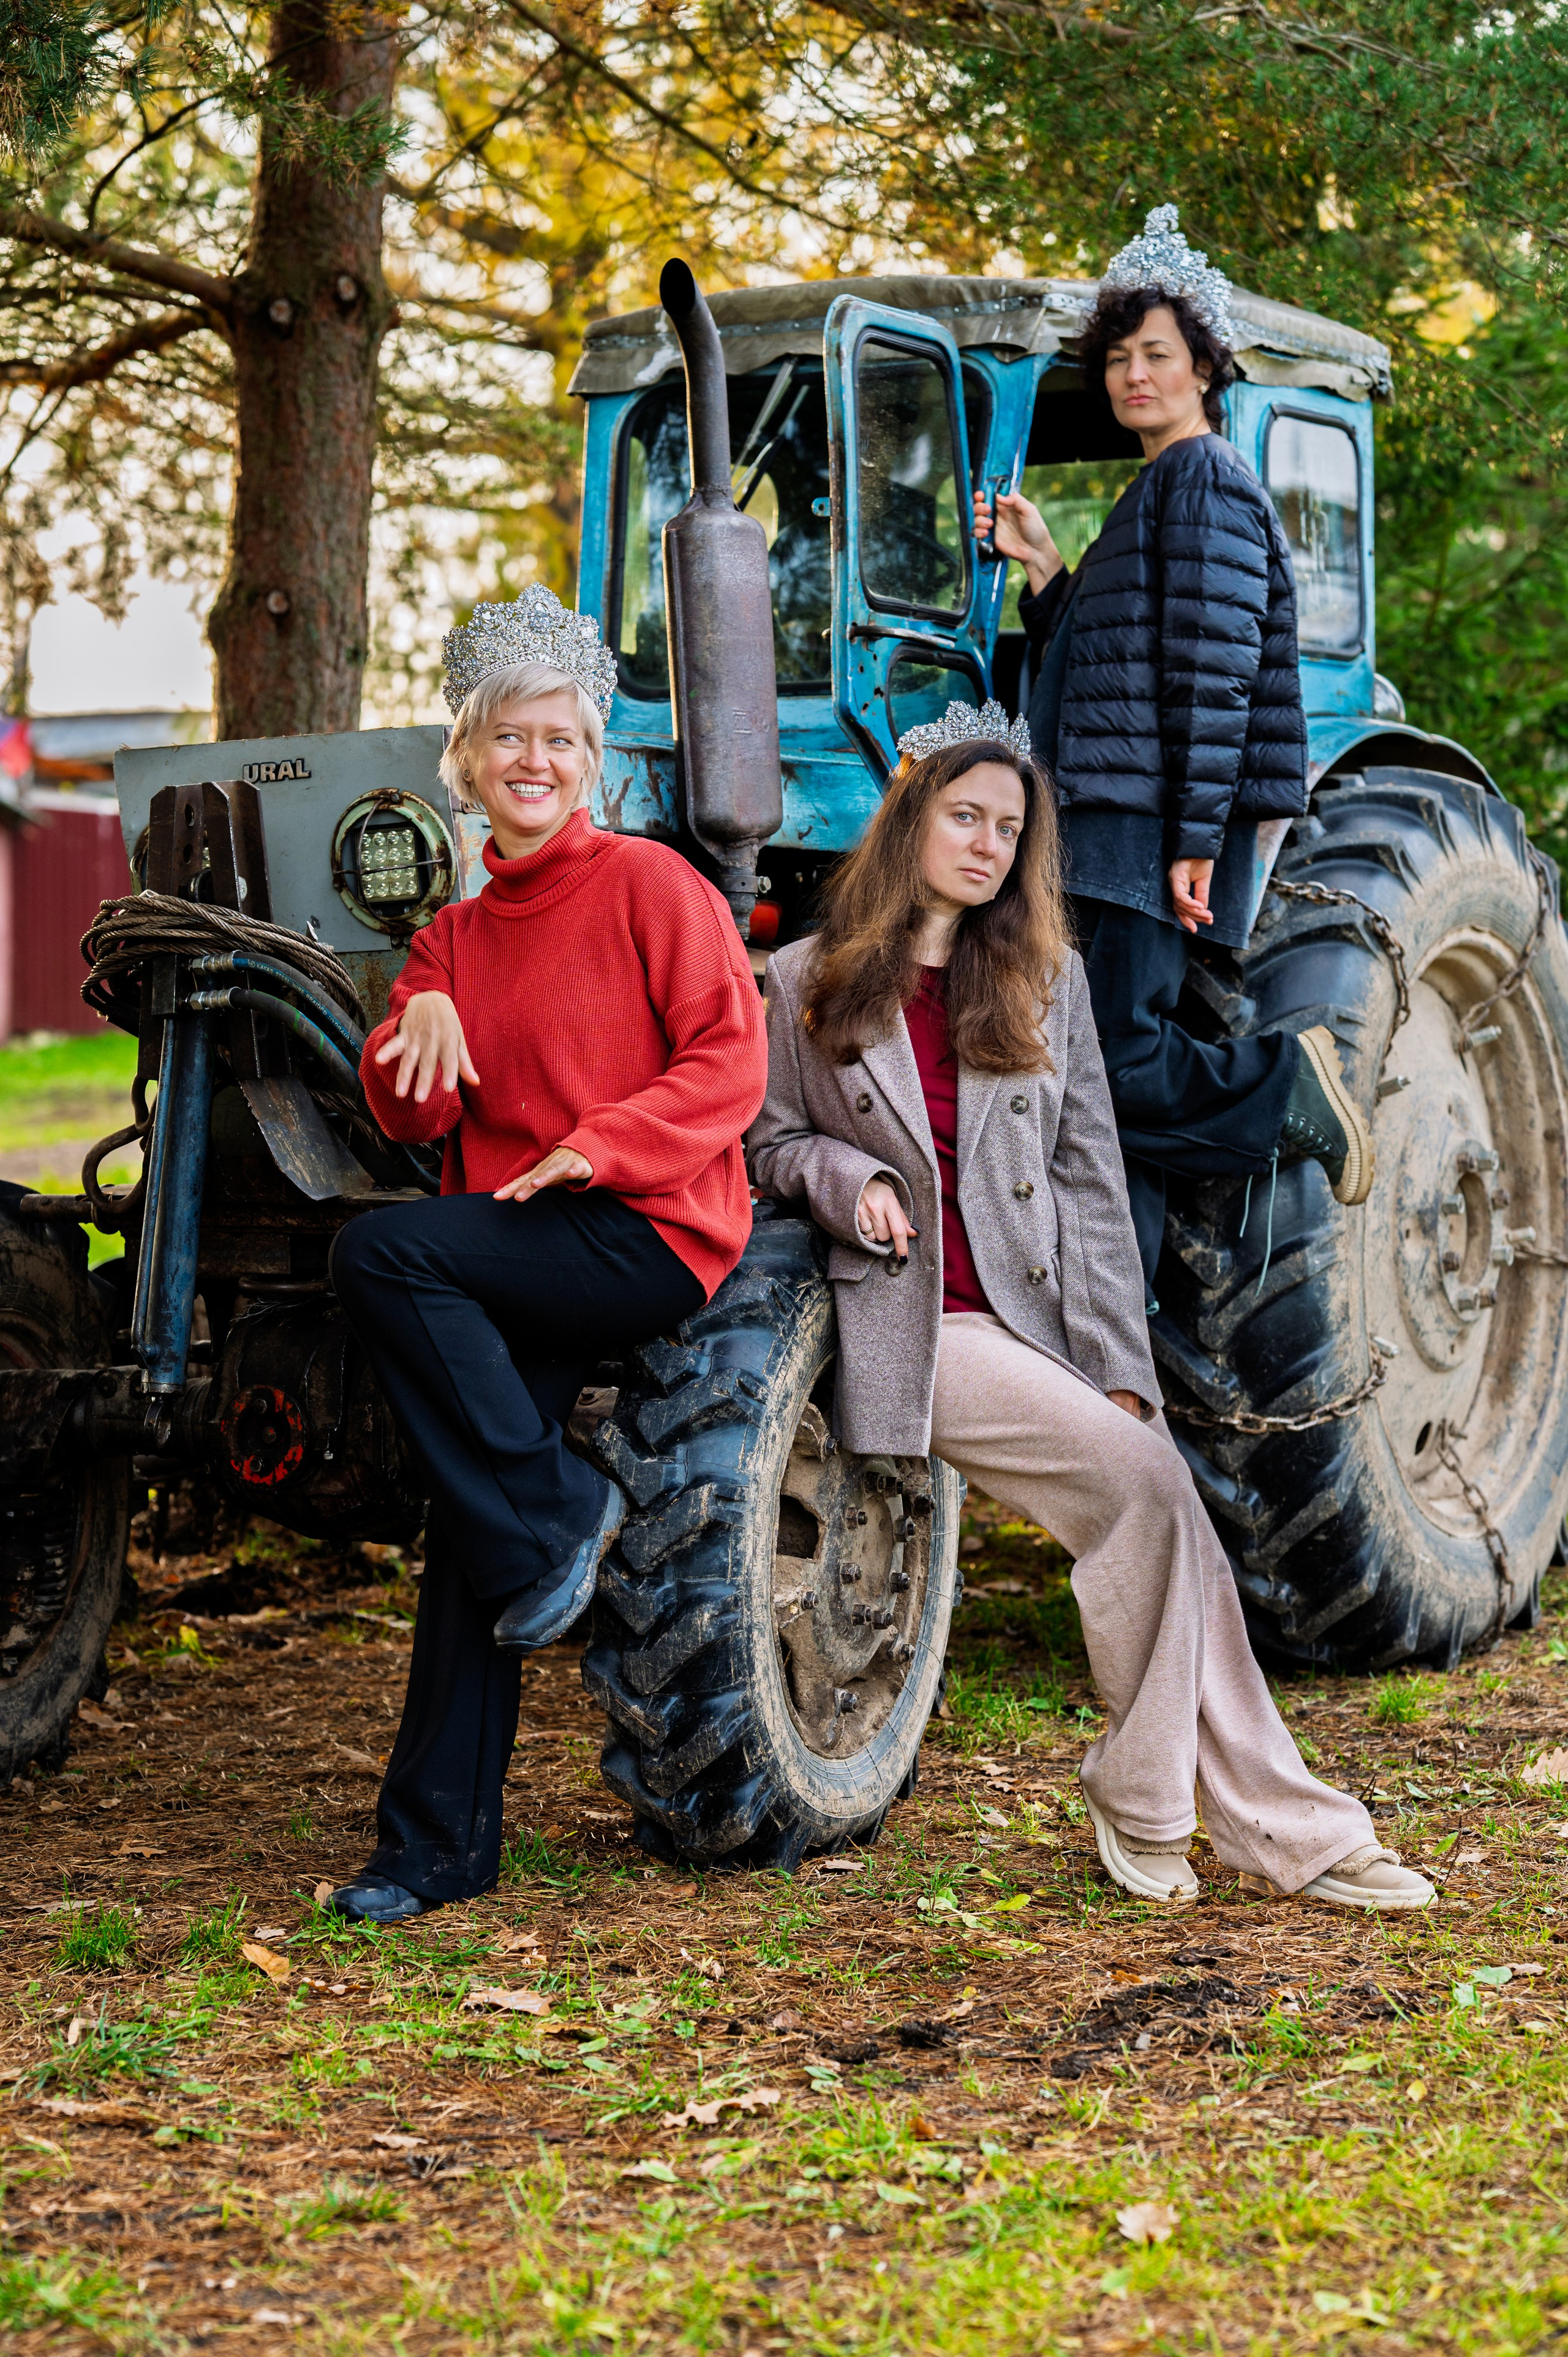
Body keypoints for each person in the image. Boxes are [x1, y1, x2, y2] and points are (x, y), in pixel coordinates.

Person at [748, 700, 1431, 1909]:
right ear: (908, 817)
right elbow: (768, 1139)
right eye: (962, 815)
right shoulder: (807, 980)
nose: (985, 845)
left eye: (1007, 829)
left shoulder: (1037, 981)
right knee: (1144, 1490)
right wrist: (843, 1176)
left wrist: (1120, 1361)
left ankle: (1293, 1833)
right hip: (922, 1324)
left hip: (1045, 1320)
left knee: (1183, 1535)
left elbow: (1086, 1186)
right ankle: (1147, 1799)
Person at [326, 585, 768, 1922]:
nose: (533, 762)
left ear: (593, 762)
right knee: (481, 1516)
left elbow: (729, 1061)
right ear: (466, 761)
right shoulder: (446, 941)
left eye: (559, 742)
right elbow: (411, 1112)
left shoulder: (652, 884)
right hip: (521, 1240)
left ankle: (559, 1514)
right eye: (508, 739)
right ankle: (433, 1847)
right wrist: (416, 1045)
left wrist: (610, 1143)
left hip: (646, 1225)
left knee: (380, 1258)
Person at [973, 206, 1373, 1298]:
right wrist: (1050, 570)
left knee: (1112, 1058)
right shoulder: (1151, 493)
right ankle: (1124, 1314)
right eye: (1117, 358)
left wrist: (1196, 839)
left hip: (1146, 824)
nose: (1132, 376)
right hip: (1107, 815)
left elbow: (1213, 676)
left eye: (1156, 355)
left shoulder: (1202, 483)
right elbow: (1111, 670)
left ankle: (1289, 1088)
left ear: (1203, 368)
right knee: (1091, 1075)